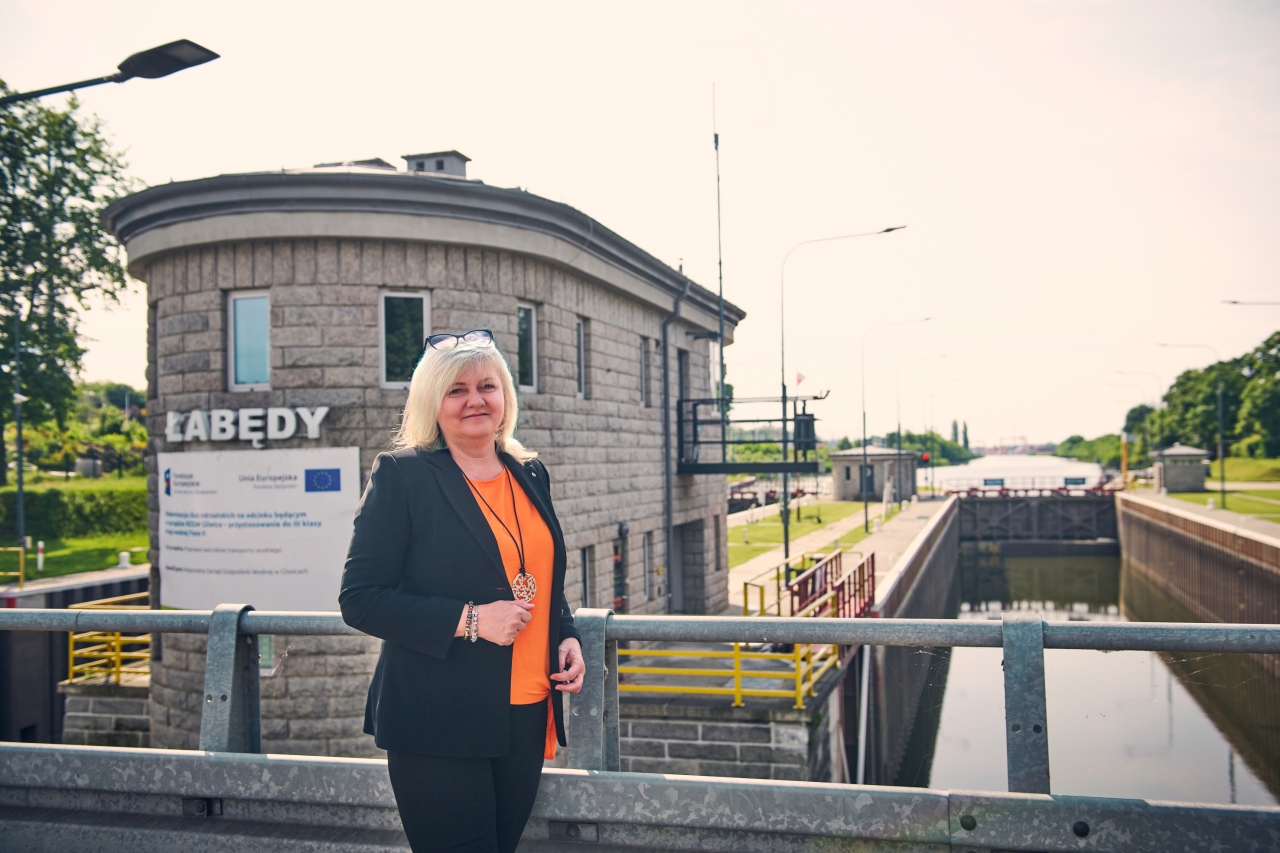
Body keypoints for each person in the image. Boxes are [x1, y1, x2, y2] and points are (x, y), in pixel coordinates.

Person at [339, 328, 586, 853]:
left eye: (487, 386)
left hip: (526, 711)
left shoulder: (529, 472)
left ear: (505, 396)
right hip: (438, 720)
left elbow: (538, 575)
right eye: (456, 390)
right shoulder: (403, 475)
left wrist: (565, 634)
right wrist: (471, 620)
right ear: (432, 402)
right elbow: (359, 599)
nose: (475, 400)